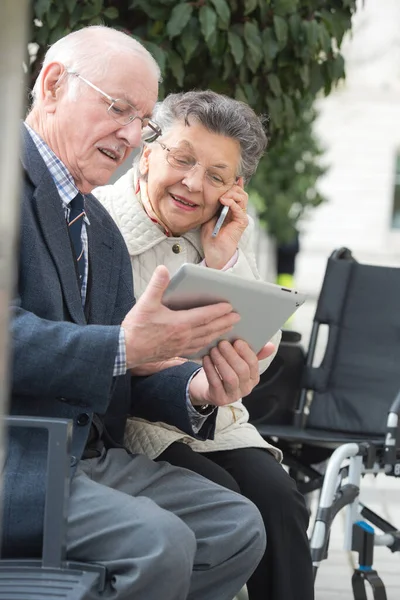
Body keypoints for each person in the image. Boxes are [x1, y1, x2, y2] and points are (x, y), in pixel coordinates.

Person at [4, 26, 273, 600]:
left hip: (84, 457)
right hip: (18, 458)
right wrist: (124, 347)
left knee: (238, 527)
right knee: (162, 542)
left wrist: (199, 388)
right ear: (52, 83)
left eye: (141, 122)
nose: (129, 136)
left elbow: (133, 364)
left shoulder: (93, 225)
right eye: (118, 109)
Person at [94, 90, 314, 600]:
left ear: (234, 188)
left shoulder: (220, 236)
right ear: (147, 154)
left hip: (214, 422)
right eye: (182, 159)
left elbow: (262, 342)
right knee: (226, 498)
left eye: (216, 175)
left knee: (280, 502)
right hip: (129, 423)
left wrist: (222, 259)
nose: (194, 184)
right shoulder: (99, 221)